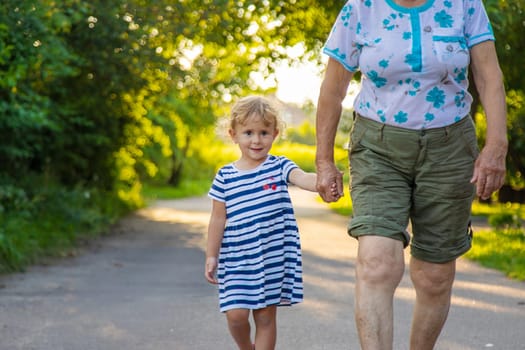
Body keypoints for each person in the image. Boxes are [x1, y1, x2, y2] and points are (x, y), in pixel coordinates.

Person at [315, 1, 507, 349]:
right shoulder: (360, 9)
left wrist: (496, 145)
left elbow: (489, 76)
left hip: (449, 147)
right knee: (377, 263)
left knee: (435, 275)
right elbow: (333, 89)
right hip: (378, 145)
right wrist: (324, 161)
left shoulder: (465, 5)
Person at [205, 95, 338, 350]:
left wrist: (323, 183)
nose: (256, 140)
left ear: (275, 134)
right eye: (248, 133)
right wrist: (212, 255)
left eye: (264, 132)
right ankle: (246, 346)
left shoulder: (279, 166)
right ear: (233, 134)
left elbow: (302, 178)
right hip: (237, 257)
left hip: (271, 255)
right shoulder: (225, 176)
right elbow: (217, 219)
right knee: (236, 315)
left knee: (265, 315)